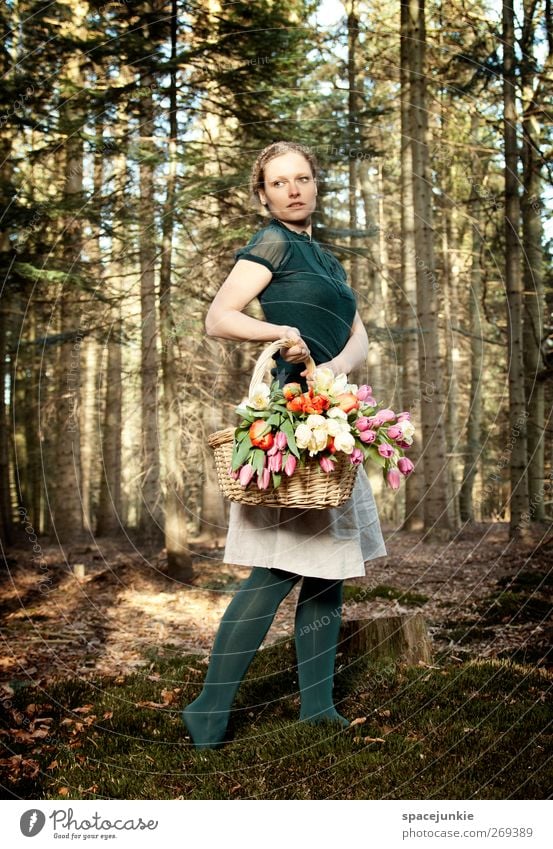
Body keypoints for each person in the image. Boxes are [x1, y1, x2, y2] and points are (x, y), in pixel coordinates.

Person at [181, 141, 387, 749]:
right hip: (289, 427)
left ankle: (317, 708)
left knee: (329, 571)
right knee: (275, 570)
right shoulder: (272, 242)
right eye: (278, 182)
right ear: (264, 194)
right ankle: (208, 708)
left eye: (302, 178)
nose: (293, 189)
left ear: (316, 185)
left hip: (328, 416)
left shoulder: (328, 260)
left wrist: (332, 374)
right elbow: (220, 317)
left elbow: (359, 338)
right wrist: (283, 334)